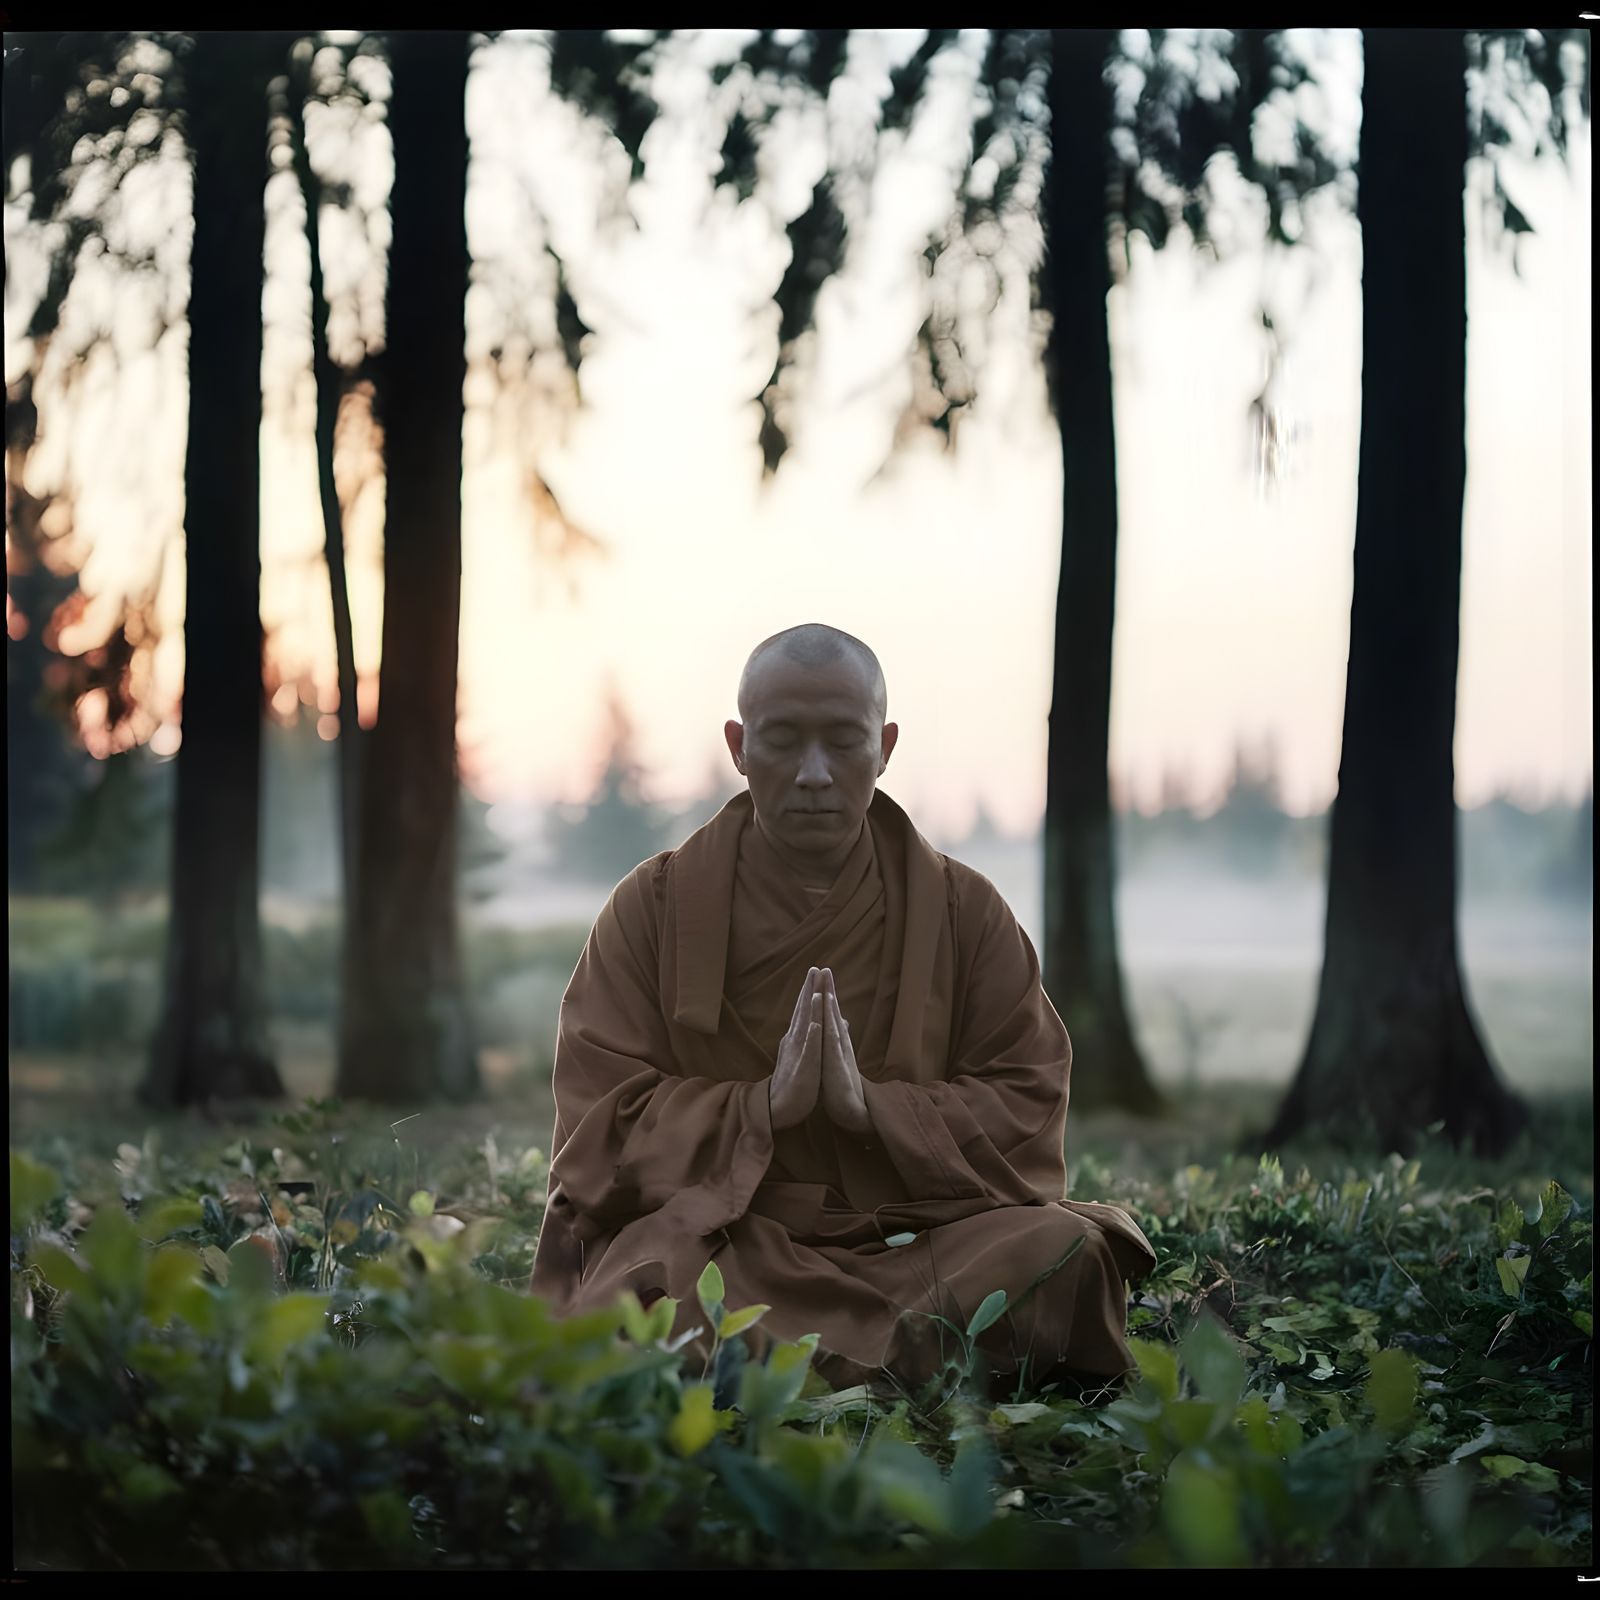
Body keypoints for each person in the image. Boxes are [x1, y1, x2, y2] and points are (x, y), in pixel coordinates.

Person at [529, 623, 1156, 1400]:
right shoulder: (652, 909)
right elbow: (599, 1128)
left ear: (886, 745)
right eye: (784, 741)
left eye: (844, 743)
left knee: (1065, 1253)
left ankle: (775, 1373)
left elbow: (1027, 1106)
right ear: (738, 745)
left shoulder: (965, 913)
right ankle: (917, 1366)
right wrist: (762, 1109)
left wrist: (875, 1113)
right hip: (728, 1241)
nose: (815, 774)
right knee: (655, 1283)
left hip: (919, 1243)